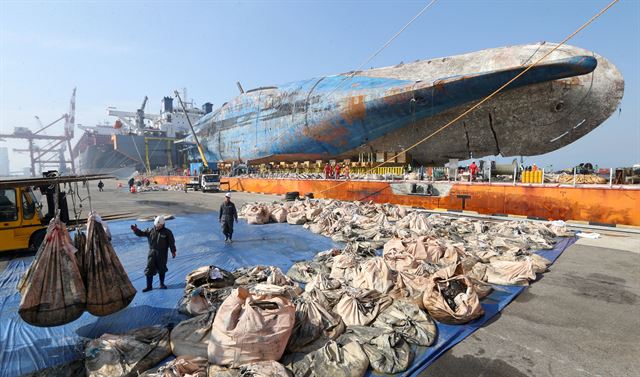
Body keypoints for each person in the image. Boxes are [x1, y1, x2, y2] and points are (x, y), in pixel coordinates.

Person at [131, 216, 176, 292]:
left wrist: (173, 251)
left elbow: (171, 243)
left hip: (162, 253)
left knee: (162, 268)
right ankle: (149, 286)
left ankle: (162, 284)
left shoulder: (167, 232)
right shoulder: (150, 230)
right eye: (156, 225)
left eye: (159, 226)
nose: (157, 227)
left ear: (162, 224)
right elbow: (141, 233)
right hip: (152, 252)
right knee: (149, 268)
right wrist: (136, 230)